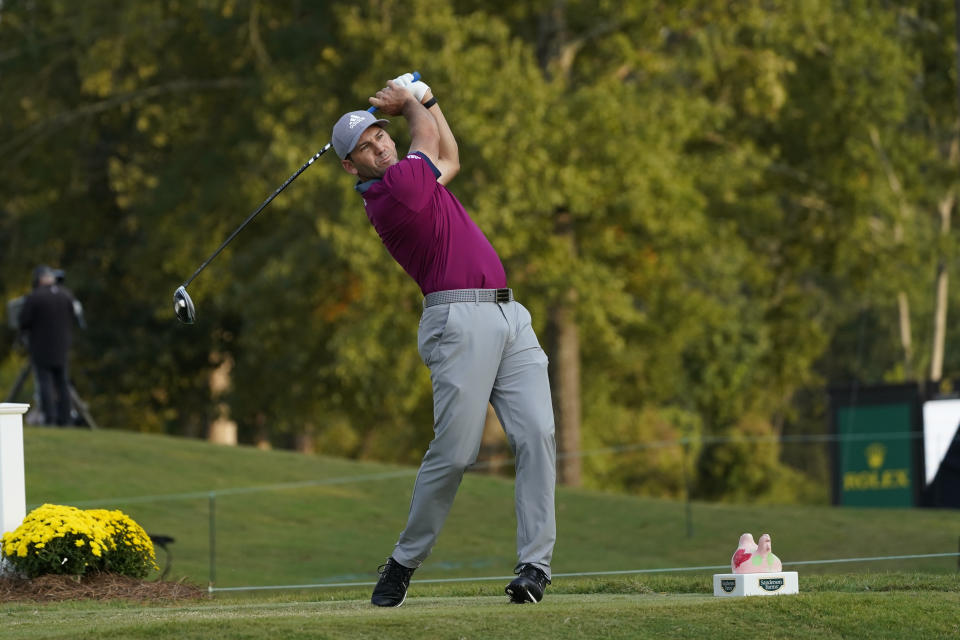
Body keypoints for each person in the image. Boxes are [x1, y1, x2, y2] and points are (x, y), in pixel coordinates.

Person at [331, 74, 557, 606]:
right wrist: (412, 102)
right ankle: (404, 562)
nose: (379, 145)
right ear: (351, 166)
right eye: (365, 146)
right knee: (455, 454)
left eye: (380, 134)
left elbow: (449, 156)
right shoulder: (390, 193)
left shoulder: (417, 178)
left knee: (538, 436)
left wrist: (429, 102)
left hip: (509, 315)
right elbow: (427, 142)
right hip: (457, 322)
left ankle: (534, 566)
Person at [18, 265, 80, 426]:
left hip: (41, 346)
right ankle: (65, 419)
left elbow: (24, 321)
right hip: (62, 347)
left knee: (45, 382)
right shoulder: (67, 295)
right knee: (63, 383)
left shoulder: (35, 297)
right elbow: (75, 318)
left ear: (38, 280)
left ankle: (50, 418)